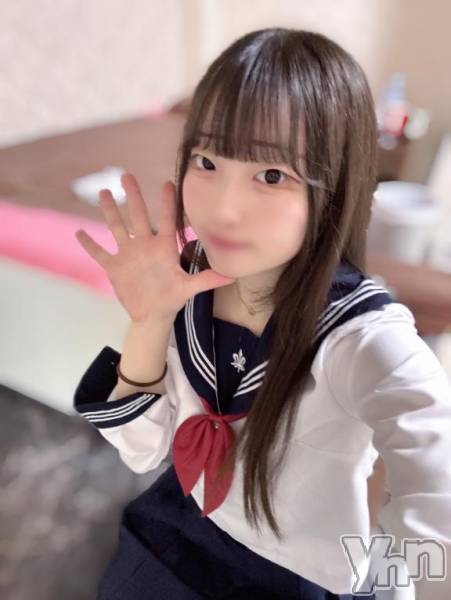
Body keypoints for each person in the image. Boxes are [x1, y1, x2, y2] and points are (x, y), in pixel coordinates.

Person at [73, 27, 451, 599]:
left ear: (335, 189)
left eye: (271, 176)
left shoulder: (362, 338)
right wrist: (149, 320)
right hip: (175, 535)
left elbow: (436, 502)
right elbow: (143, 452)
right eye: (206, 161)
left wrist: (391, 583)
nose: (224, 208)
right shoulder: (188, 284)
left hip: (293, 578)